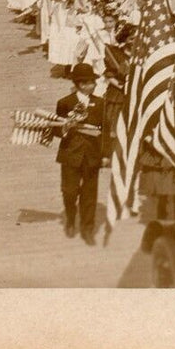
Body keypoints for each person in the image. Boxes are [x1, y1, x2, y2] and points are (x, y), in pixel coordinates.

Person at [51, 63, 106, 243]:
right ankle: (70, 218)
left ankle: (87, 228)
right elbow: (55, 131)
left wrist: (105, 155)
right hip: (70, 154)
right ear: (81, 84)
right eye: (91, 82)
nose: (94, 85)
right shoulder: (65, 103)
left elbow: (105, 131)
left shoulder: (100, 103)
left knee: (90, 193)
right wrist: (66, 128)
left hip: (92, 155)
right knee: (69, 191)